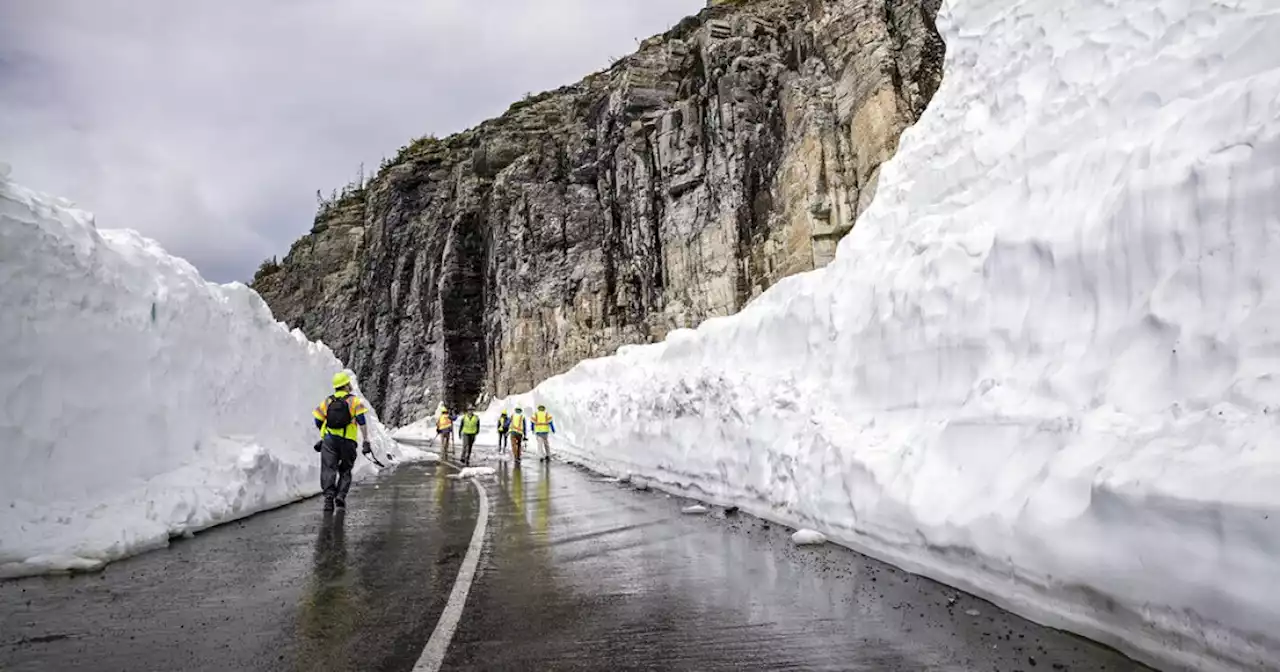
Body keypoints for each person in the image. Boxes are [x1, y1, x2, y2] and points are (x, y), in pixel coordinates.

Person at [312, 371, 372, 512]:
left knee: (328, 469)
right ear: (346, 385)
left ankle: (328, 499)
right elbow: (362, 421)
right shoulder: (354, 401)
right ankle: (340, 496)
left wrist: (325, 433)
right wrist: (365, 440)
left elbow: (318, 419)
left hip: (330, 441)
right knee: (345, 470)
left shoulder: (328, 401)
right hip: (348, 442)